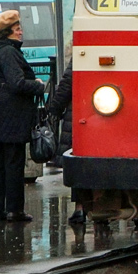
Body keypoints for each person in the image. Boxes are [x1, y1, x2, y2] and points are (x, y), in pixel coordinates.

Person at [0, 10, 44, 223]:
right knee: (14, 163)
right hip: (10, 113)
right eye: (17, 29)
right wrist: (38, 85)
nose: (20, 32)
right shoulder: (8, 52)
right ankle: (14, 210)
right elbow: (17, 83)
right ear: (8, 32)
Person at [45, 62, 87, 224]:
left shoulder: (83, 48)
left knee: (79, 158)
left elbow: (67, 83)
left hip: (79, 113)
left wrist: (54, 109)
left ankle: (80, 207)